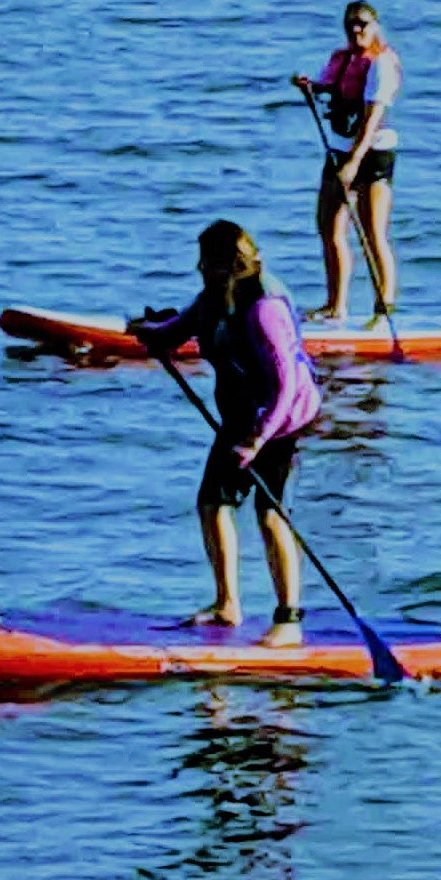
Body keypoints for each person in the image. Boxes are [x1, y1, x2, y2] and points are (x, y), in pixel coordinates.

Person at [127, 220, 322, 648]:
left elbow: (285, 386)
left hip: (282, 419)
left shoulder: (264, 308)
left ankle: (289, 620)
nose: (199, 268)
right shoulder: (212, 299)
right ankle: (227, 604)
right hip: (240, 416)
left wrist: (257, 440)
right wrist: (150, 335)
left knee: (270, 515)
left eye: (206, 261)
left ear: (228, 265)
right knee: (212, 503)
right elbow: (177, 331)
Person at [291, 0, 402, 324]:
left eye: (363, 24)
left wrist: (354, 163)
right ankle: (335, 306)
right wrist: (308, 87)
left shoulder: (381, 64)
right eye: (350, 24)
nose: (356, 30)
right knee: (328, 225)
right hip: (339, 150)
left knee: (371, 231)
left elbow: (371, 119)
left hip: (373, 152)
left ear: (375, 26)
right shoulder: (341, 59)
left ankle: (384, 309)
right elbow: (329, 87)